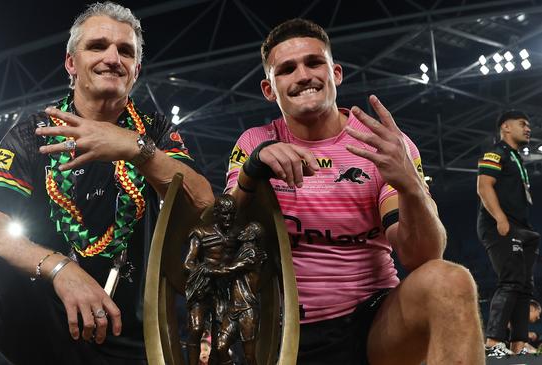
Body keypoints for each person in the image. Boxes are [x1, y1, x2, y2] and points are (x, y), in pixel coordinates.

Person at [0, 2, 213, 364]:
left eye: (125, 51)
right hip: (51, 330)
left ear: (136, 70)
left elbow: (204, 206)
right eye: (98, 46)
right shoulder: (33, 134)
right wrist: (59, 269)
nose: (113, 58)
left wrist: (136, 149)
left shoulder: (154, 132)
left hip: (135, 340)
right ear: (71, 63)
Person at [225, 18, 484, 364]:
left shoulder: (384, 145)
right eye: (287, 69)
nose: (303, 75)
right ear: (269, 89)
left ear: (336, 73)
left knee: (449, 281)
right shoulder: (255, 142)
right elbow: (222, 233)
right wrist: (252, 170)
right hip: (284, 328)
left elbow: (422, 257)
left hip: (373, 322)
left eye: (314, 62)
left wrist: (410, 188)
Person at [478, 110, 540, 357]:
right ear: (505, 127)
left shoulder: (516, 158)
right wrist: (500, 219)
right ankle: (493, 344)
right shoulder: (495, 153)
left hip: (522, 227)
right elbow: (484, 186)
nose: (528, 128)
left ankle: (517, 346)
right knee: (511, 281)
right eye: (522, 124)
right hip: (500, 226)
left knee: (525, 287)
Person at [184, 195, 239, 365]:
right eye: (224, 214)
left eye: (231, 214)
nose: (228, 218)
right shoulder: (201, 233)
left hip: (224, 290)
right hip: (202, 288)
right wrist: (208, 270)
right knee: (196, 328)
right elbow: (188, 263)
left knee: (219, 336)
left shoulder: (237, 235)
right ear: (216, 213)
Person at [212, 222, 267, 365]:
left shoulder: (252, 252)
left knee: (249, 356)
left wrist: (217, 269)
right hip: (233, 308)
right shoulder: (241, 250)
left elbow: (235, 267)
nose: (243, 230)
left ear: (253, 235)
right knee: (221, 347)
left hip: (247, 309)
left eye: (248, 229)